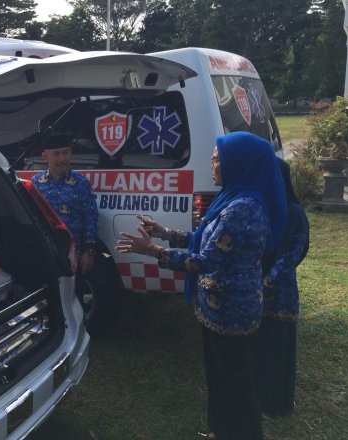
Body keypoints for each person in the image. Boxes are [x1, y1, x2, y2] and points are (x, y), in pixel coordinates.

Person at [116, 131, 287, 440]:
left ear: (239, 163)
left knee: (236, 385)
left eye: (218, 159)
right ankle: (221, 430)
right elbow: (204, 239)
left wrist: (152, 251)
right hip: (216, 308)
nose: (212, 164)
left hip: (232, 313)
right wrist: (163, 232)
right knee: (220, 379)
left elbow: (205, 261)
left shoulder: (242, 208)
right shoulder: (233, 197)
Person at [257, 157, 309, 417]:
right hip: (257, 293)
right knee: (261, 348)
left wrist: (265, 283)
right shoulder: (266, 208)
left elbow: (290, 257)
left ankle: (276, 405)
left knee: (277, 349)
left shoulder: (294, 213)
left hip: (279, 296)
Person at [31, 133, 99, 274]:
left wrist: (89, 251)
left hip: (74, 256)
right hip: (46, 254)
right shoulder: (36, 183)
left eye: (66, 153)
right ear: (45, 157)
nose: (62, 159)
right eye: (56, 154)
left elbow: (91, 218)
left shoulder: (80, 183)